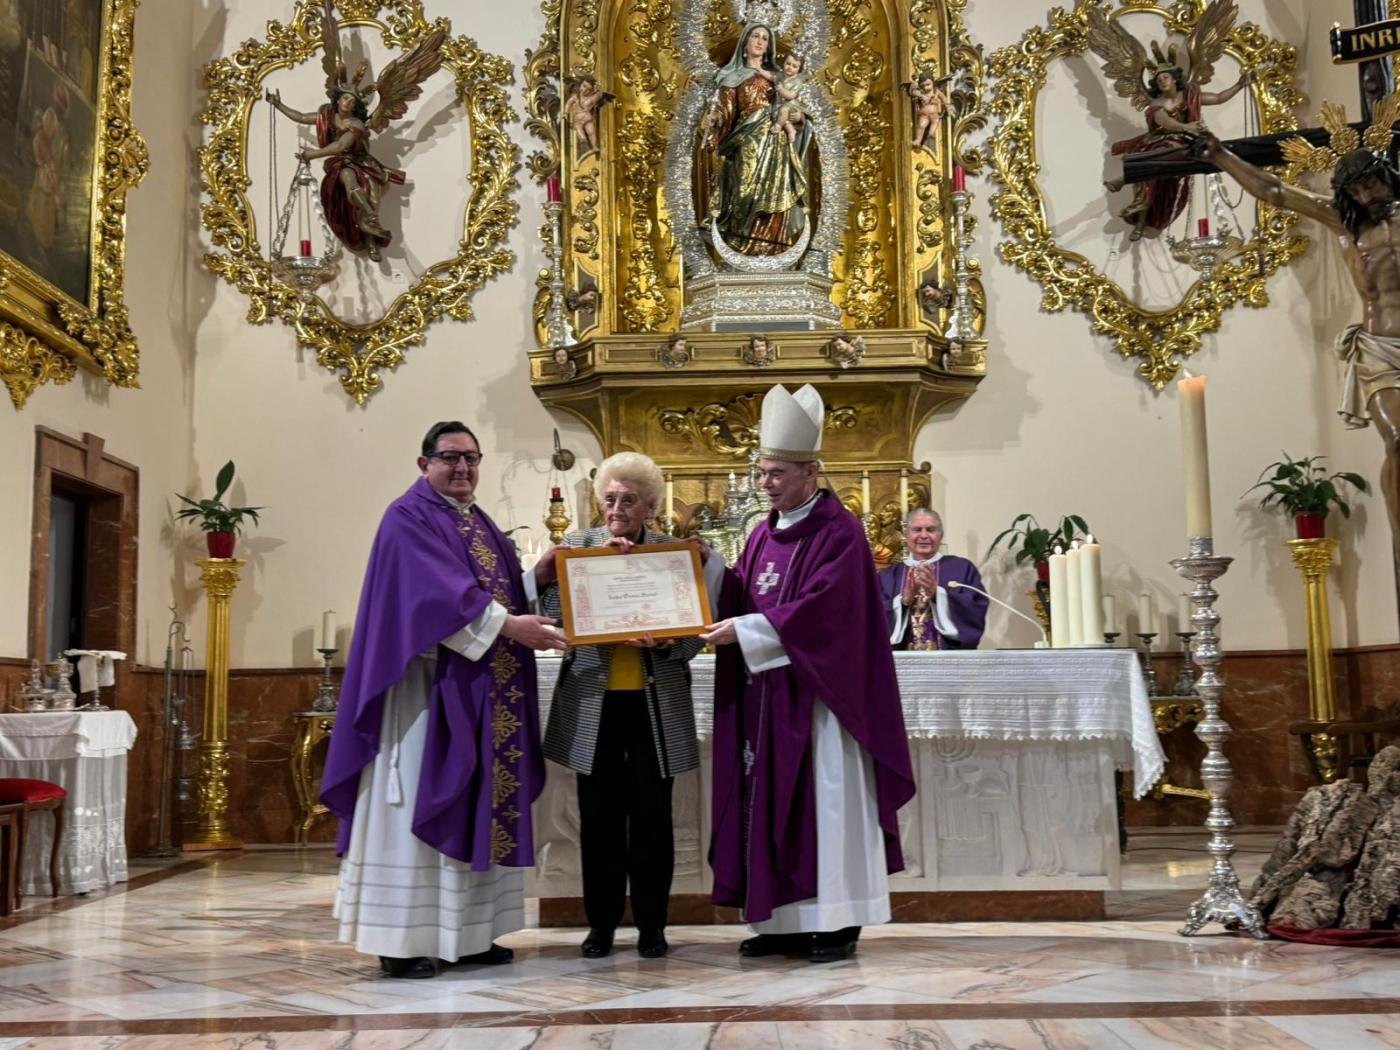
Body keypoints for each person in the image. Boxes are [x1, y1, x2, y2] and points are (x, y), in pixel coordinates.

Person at [321, 421, 567, 979]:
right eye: (449, 458)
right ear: (423, 462)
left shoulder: (477, 522)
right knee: (416, 807)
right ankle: (403, 940)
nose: (462, 469)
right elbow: (435, 597)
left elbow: (496, 597)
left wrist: (538, 577)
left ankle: (472, 935)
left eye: (471, 459)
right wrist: (511, 627)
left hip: (479, 691)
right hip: (424, 699)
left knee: (479, 800)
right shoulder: (407, 517)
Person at [700, 384, 916, 963]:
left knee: (827, 804)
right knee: (773, 806)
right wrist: (703, 569)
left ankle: (839, 920)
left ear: (811, 471)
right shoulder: (764, 532)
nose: (765, 483)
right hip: (769, 701)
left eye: (776, 473)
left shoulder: (839, 531)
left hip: (824, 705)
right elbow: (745, 593)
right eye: (762, 472)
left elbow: (830, 613)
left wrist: (747, 633)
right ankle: (784, 923)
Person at [535, 452, 724, 960]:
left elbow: (695, 634)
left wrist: (664, 643)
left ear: (651, 507)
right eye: (610, 498)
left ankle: (652, 927)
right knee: (596, 820)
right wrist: (577, 578)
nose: (617, 508)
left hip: (654, 707)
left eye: (630, 500)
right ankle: (600, 926)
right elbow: (552, 620)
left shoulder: (674, 553)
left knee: (652, 820)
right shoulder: (575, 548)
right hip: (593, 706)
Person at [1197, 131, 1400, 564]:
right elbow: (1274, 191)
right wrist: (1218, 154)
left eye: (1372, 183)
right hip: (1382, 351)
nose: (1366, 196)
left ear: (1387, 174)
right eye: (1356, 189)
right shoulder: (1344, 222)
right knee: (1398, 440)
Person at [701, 23, 812, 256]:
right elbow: (725, 110)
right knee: (745, 191)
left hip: (776, 140)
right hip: (746, 140)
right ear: (745, 43)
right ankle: (742, 243)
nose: (760, 42)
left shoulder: (778, 76)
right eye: (755, 36)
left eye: (764, 38)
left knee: (776, 191)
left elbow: (797, 107)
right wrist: (715, 121)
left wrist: (798, 116)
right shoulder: (731, 77)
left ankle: (771, 246)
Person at [878, 508, 988, 650]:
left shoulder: (962, 568)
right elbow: (873, 616)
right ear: (906, 535)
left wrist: (937, 594)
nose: (924, 535)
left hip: (950, 660)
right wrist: (903, 601)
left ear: (940, 536)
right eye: (917, 530)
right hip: (901, 663)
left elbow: (975, 608)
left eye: (931, 529)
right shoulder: (887, 576)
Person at [771, 53, 810, 144]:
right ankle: (791, 131)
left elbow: (791, 96)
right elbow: (771, 76)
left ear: (799, 70)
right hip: (778, 106)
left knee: (783, 111)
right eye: (788, 64)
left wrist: (801, 117)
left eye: (794, 66)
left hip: (790, 105)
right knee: (784, 118)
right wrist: (760, 70)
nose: (789, 67)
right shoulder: (780, 75)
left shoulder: (797, 82)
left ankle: (778, 126)